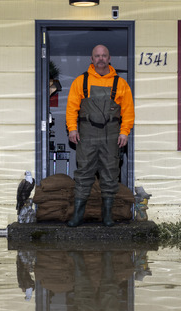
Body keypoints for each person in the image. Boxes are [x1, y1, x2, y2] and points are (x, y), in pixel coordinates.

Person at [65, 44, 134, 227]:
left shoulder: (121, 83)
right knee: (84, 172)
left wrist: (124, 132)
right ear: (92, 58)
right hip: (86, 132)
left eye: (104, 56)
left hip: (111, 133)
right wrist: (72, 128)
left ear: (109, 58)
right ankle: (78, 216)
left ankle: (108, 216)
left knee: (110, 173)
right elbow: (72, 107)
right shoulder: (80, 81)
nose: (101, 59)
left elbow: (128, 112)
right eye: (97, 56)